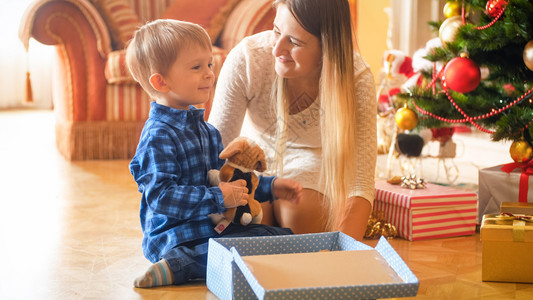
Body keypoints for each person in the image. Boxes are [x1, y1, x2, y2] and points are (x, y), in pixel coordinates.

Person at [126, 19, 302, 288]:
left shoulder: (208, 132)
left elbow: (229, 177)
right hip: (177, 235)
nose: (209, 74)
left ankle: (197, 261)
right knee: (240, 251)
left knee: (283, 240)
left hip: (215, 226)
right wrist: (218, 196)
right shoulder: (158, 135)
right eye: (197, 67)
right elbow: (160, 197)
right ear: (161, 82)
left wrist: (272, 186)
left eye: (209, 64)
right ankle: (176, 266)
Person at [208, 0, 377, 241]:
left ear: (327, 48)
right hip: (254, 157)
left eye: (294, 42)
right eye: (277, 31)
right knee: (252, 221)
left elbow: (360, 182)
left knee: (299, 214)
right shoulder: (247, 59)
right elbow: (215, 154)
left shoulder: (356, 77)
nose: (276, 49)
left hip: (314, 160)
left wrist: (343, 254)